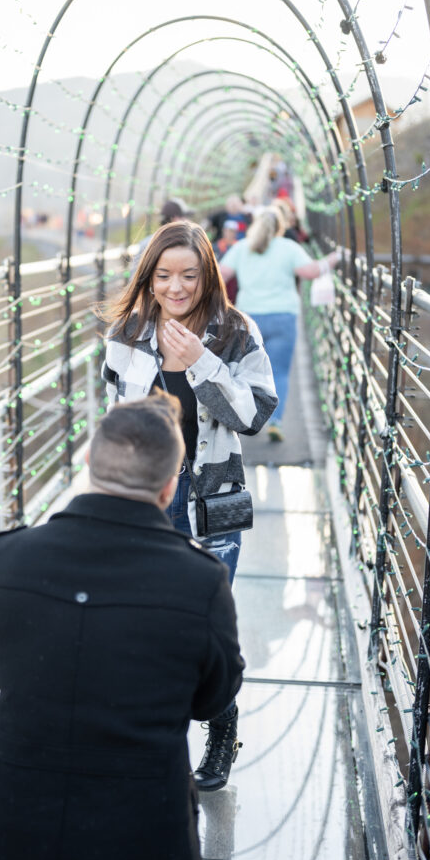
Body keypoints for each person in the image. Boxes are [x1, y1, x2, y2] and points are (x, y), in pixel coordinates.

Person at [0, 393, 245, 860]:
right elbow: (214, 699)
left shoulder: (5, 560)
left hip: (22, 849)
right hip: (145, 855)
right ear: (169, 488)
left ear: (88, 461)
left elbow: (2, 669)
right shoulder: (201, 582)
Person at [100, 220, 277, 791]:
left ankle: (222, 727)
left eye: (189, 276)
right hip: (147, 505)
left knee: (207, 627)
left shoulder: (235, 333)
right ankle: (159, 743)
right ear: (148, 278)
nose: (176, 288)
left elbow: (254, 416)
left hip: (212, 502)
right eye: (164, 275)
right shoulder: (126, 337)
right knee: (148, 627)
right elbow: (112, 421)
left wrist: (201, 361)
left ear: (208, 276)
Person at [219, 205, 339, 443]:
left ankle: (242, 419)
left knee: (242, 370)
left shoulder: (242, 248)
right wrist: (334, 258)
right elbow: (312, 271)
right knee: (279, 372)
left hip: (248, 319)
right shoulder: (289, 248)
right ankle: (275, 422)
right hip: (283, 316)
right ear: (280, 226)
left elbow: (220, 275)